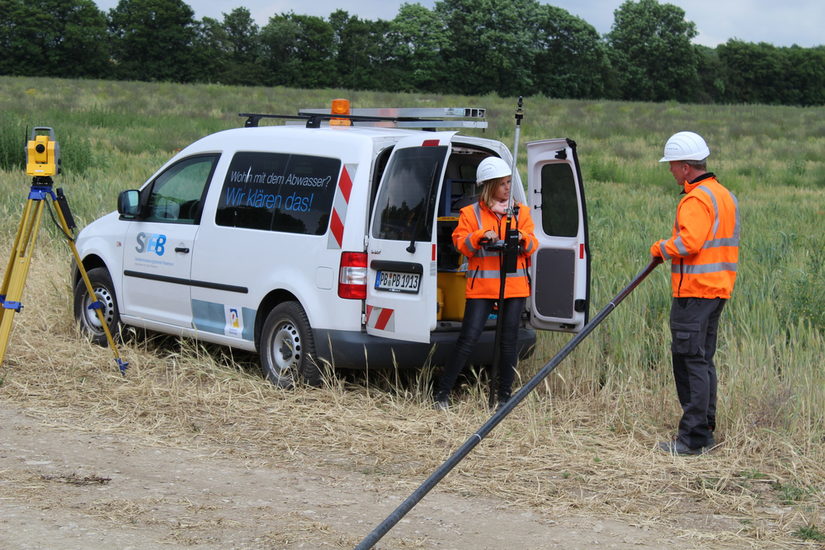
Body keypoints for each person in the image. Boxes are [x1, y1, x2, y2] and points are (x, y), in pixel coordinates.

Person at [651, 131, 740, 456]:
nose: (671, 171)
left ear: (686, 167)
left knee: (689, 361)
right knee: (702, 361)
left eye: (672, 166)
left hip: (695, 292)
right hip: (716, 290)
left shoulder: (696, 199)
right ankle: (705, 428)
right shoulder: (723, 195)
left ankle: (692, 439)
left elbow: (690, 242)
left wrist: (660, 248)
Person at [434, 156, 538, 410]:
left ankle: (504, 397)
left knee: (508, 341)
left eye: (508, 183)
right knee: (468, 338)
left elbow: (534, 244)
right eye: (502, 184)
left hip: (514, 288)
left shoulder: (521, 213)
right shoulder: (471, 214)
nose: (507, 188)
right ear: (490, 186)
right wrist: (481, 236)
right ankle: (442, 394)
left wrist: (521, 238)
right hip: (481, 287)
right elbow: (461, 243)